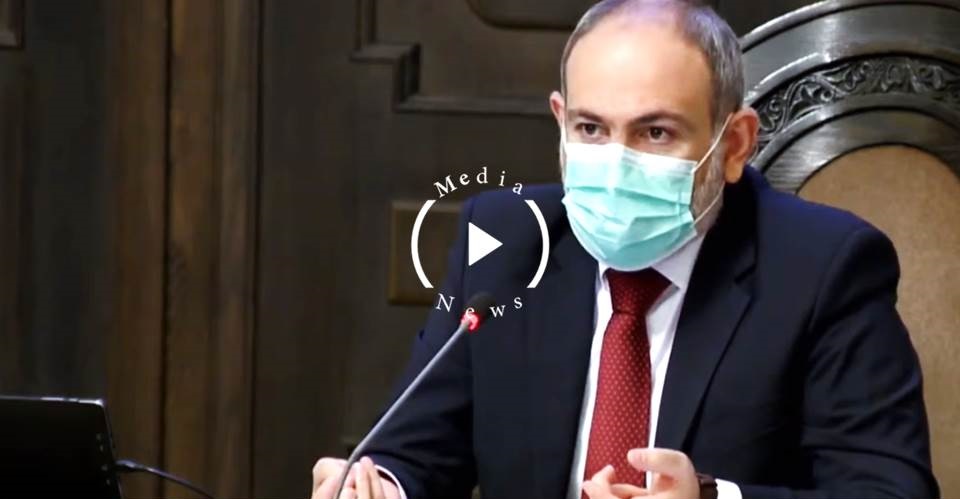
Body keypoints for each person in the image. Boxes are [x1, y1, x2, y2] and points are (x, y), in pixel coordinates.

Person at [312, 1, 939, 498]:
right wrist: (381, 485)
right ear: (560, 121)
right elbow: (418, 451)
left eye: (655, 132)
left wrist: (713, 498)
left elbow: (888, 490)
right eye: (590, 128)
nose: (616, 164)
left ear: (735, 145)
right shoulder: (508, 243)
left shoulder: (825, 269)